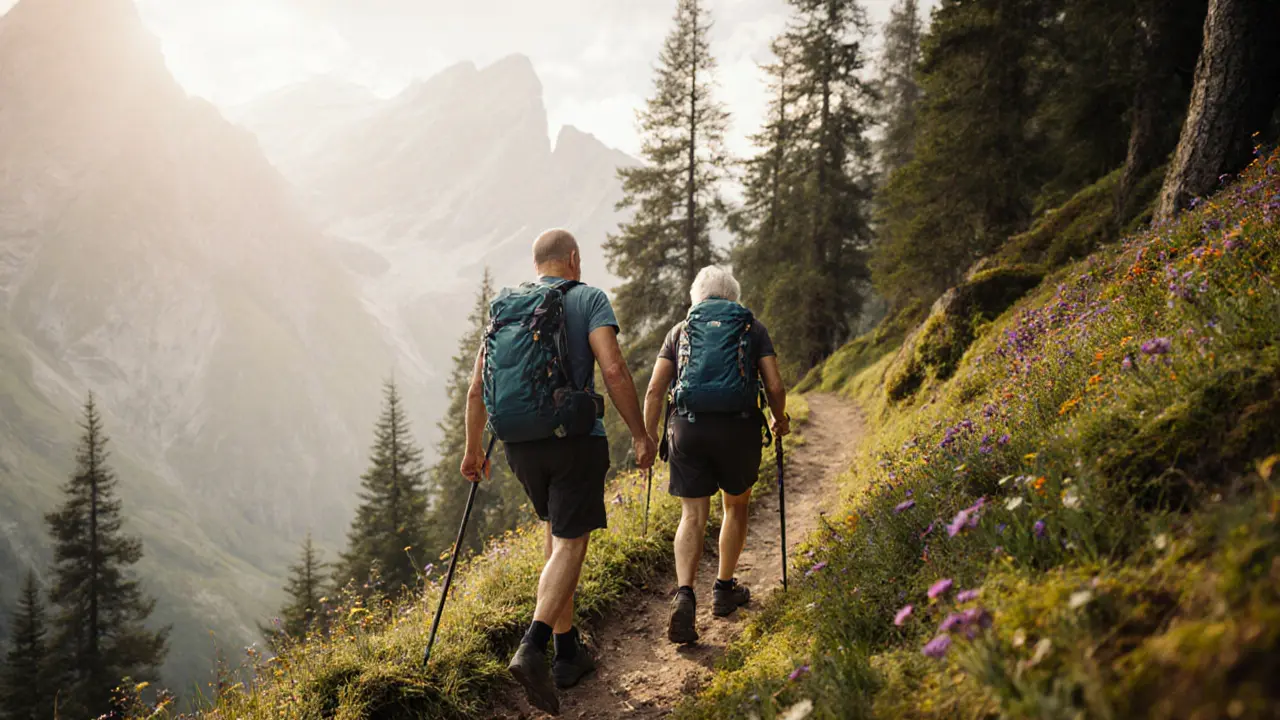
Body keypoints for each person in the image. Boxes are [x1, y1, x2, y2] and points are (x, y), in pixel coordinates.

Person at [461, 228, 657, 715]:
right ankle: (534, 645)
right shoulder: (588, 298)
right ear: (573, 258)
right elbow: (612, 371)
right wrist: (639, 432)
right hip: (573, 441)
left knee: (555, 535)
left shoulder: (508, 308)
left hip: (519, 446)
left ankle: (568, 655)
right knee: (571, 543)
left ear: (537, 264)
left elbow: (474, 390)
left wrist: (472, 451)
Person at [642, 265, 789, 645]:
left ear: (697, 297)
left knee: (692, 513)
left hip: (688, 429)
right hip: (738, 429)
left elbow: (655, 391)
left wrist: (648, 434)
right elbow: (773, 383)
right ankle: (724, 589)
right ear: (733, 297)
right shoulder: (751, 328)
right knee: (735, 506)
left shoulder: (679, 331)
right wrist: (778, 417)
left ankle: (685, 594)